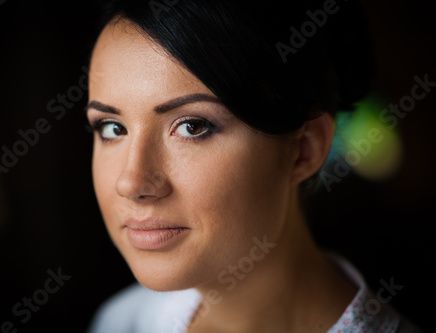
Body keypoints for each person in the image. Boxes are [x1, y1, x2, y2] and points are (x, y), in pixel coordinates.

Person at [85, 0, 423, 332]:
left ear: (304, 149)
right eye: (113, 128)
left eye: (192, 126)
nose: (131, 182)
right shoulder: (123, 320)